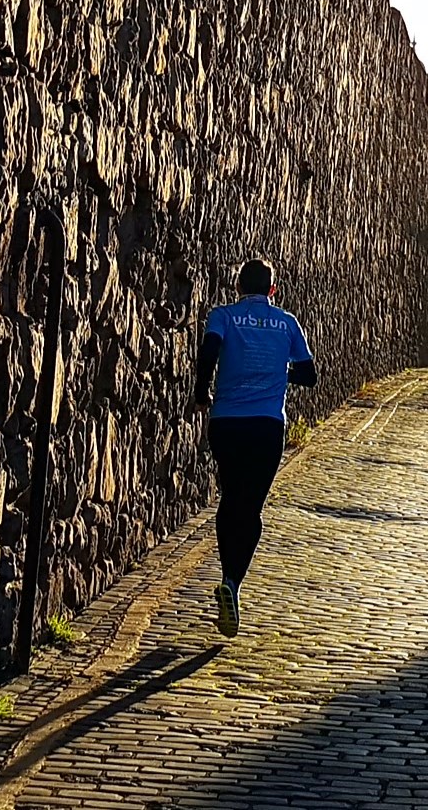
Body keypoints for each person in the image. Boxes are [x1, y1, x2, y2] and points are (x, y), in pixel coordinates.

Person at [191, 258, 317, 637]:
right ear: (272, 291)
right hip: (266, 425)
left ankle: (227, 574)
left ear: (237, 286)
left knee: (230, 498)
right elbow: (310, 376)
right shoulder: (288, 323)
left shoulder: (223, 316)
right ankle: (233, 582)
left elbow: (209, 352)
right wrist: (280, 369)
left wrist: (201, 393)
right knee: (252, 508)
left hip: (226, 422)